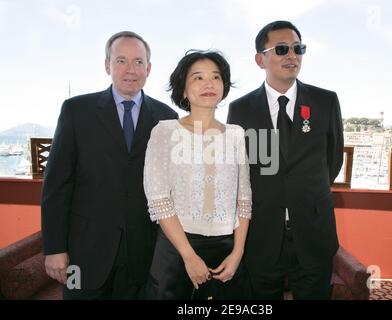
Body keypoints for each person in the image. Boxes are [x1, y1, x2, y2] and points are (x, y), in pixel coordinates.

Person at [41, 31, 178, 299]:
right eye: (121, 61)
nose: (131, 70)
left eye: (139, 62)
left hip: (142, 255)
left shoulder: (166, 118)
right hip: (82, 254)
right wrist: (54, 248)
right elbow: (56, 186)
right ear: (107, 65)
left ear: (148, 69)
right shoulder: (76, 110)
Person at [227, 20, 344, 299]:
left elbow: (333, 160)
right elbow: (239, 170)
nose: (292, 55)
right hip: (261, 236)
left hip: (314, 233)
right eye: (281, 49)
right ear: (260, 59)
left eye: (297, 48)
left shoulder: (325, 102)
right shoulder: (240, 109)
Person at [143, 50, 252, 299]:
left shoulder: (236, 134)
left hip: (226, 251)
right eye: (198, 78)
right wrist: (189, 256)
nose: (209, 84)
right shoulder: (164, 131)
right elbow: (159, 200)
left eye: (216, 77)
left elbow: (243, 199)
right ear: (182, 89)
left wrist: (237, 254)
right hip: (176, 249)